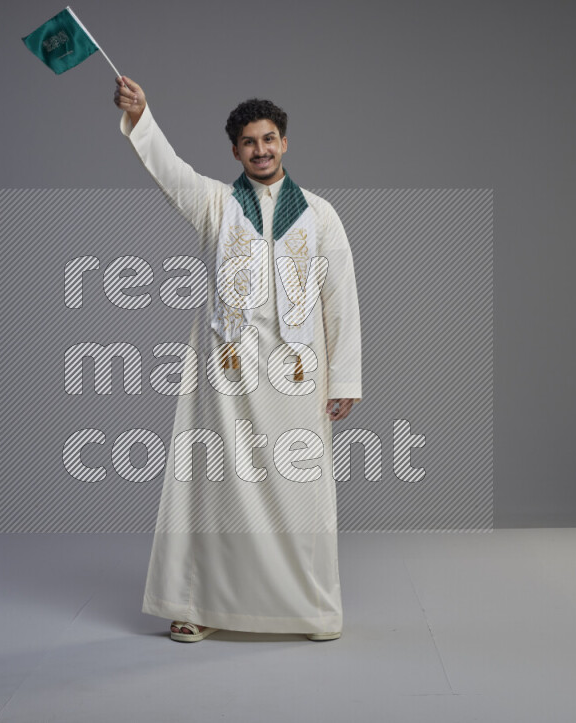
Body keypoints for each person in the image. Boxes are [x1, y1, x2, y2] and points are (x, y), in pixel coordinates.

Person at [114, 76, 362, 642]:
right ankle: (197, 605)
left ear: (285, 142)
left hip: (298, 378)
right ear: (235, 151)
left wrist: (344, 376)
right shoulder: (215, 204)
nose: (262, 149)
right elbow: (167, 169)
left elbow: (340, 298)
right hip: (226, 379)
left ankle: (312, 608)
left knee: (301, 494)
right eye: (249, 142)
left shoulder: (321, 216)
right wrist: (143, 114)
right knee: (213, 488)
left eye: (270, 138)